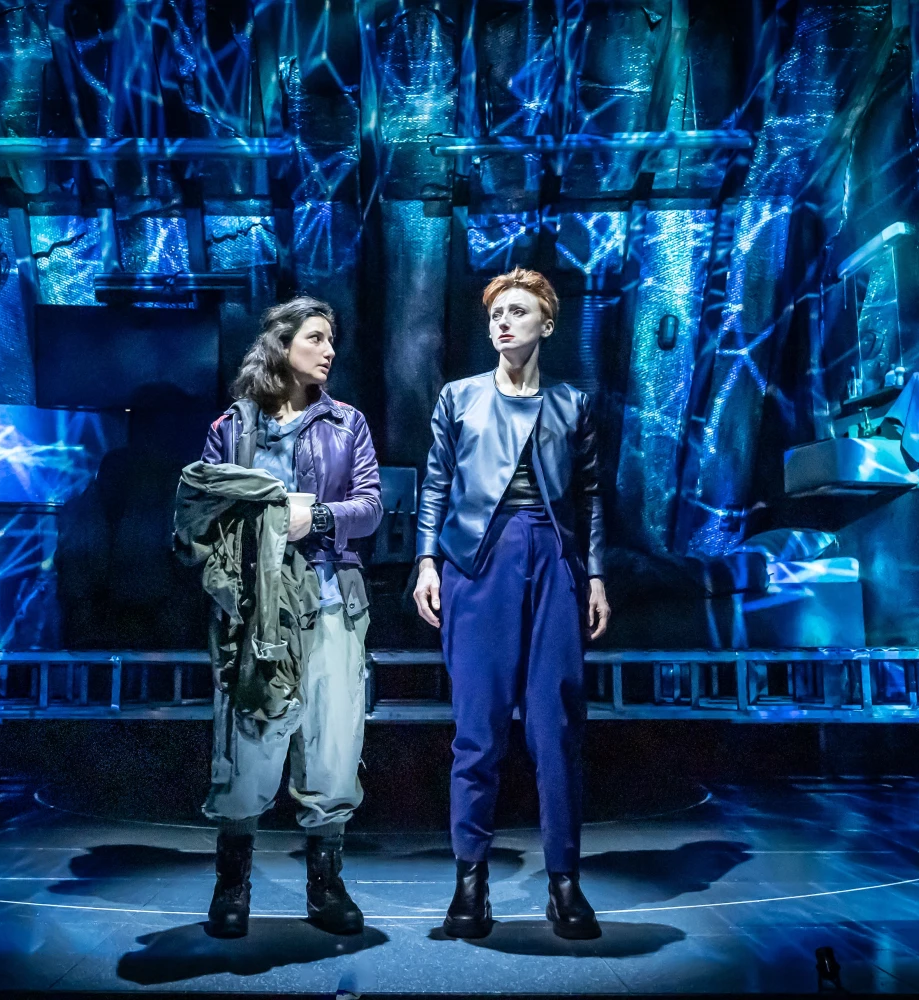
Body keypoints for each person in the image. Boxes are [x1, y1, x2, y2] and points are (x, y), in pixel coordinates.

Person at [413, 267, 610, 940]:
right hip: (478, 558)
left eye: (518, 311)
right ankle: (470, 885)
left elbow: (588, 498)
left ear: (545, 325)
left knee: (554, 726)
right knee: (478, 728)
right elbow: (435, 484)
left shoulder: (572, 404)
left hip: (553, 557)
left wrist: (597, 576)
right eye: (497, 311)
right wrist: (425, 562)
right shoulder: (459, 398)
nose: (503, 321)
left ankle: (565, 884)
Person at [197, 297, 382, 937]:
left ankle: (324, 884)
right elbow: (206, 510)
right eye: (317, 338)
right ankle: (232, 882)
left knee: (332, 743)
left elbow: (371, 507)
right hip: (257, 614)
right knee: (247, 743)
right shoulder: (234, 428)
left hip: (332, 600)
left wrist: (320, 517)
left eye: (332, 340)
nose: (329, 351)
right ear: (282, 343)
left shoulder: (347, 423)